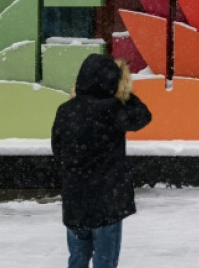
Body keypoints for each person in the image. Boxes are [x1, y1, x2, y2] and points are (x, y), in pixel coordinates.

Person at [52, 54, 152, 268]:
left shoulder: (66, 110)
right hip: (107, 201)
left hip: (75, 200)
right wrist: (125, 94)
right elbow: (143, 116)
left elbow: (58, 151)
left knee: (77, 258)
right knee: (105, 260)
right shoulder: (114, 109)